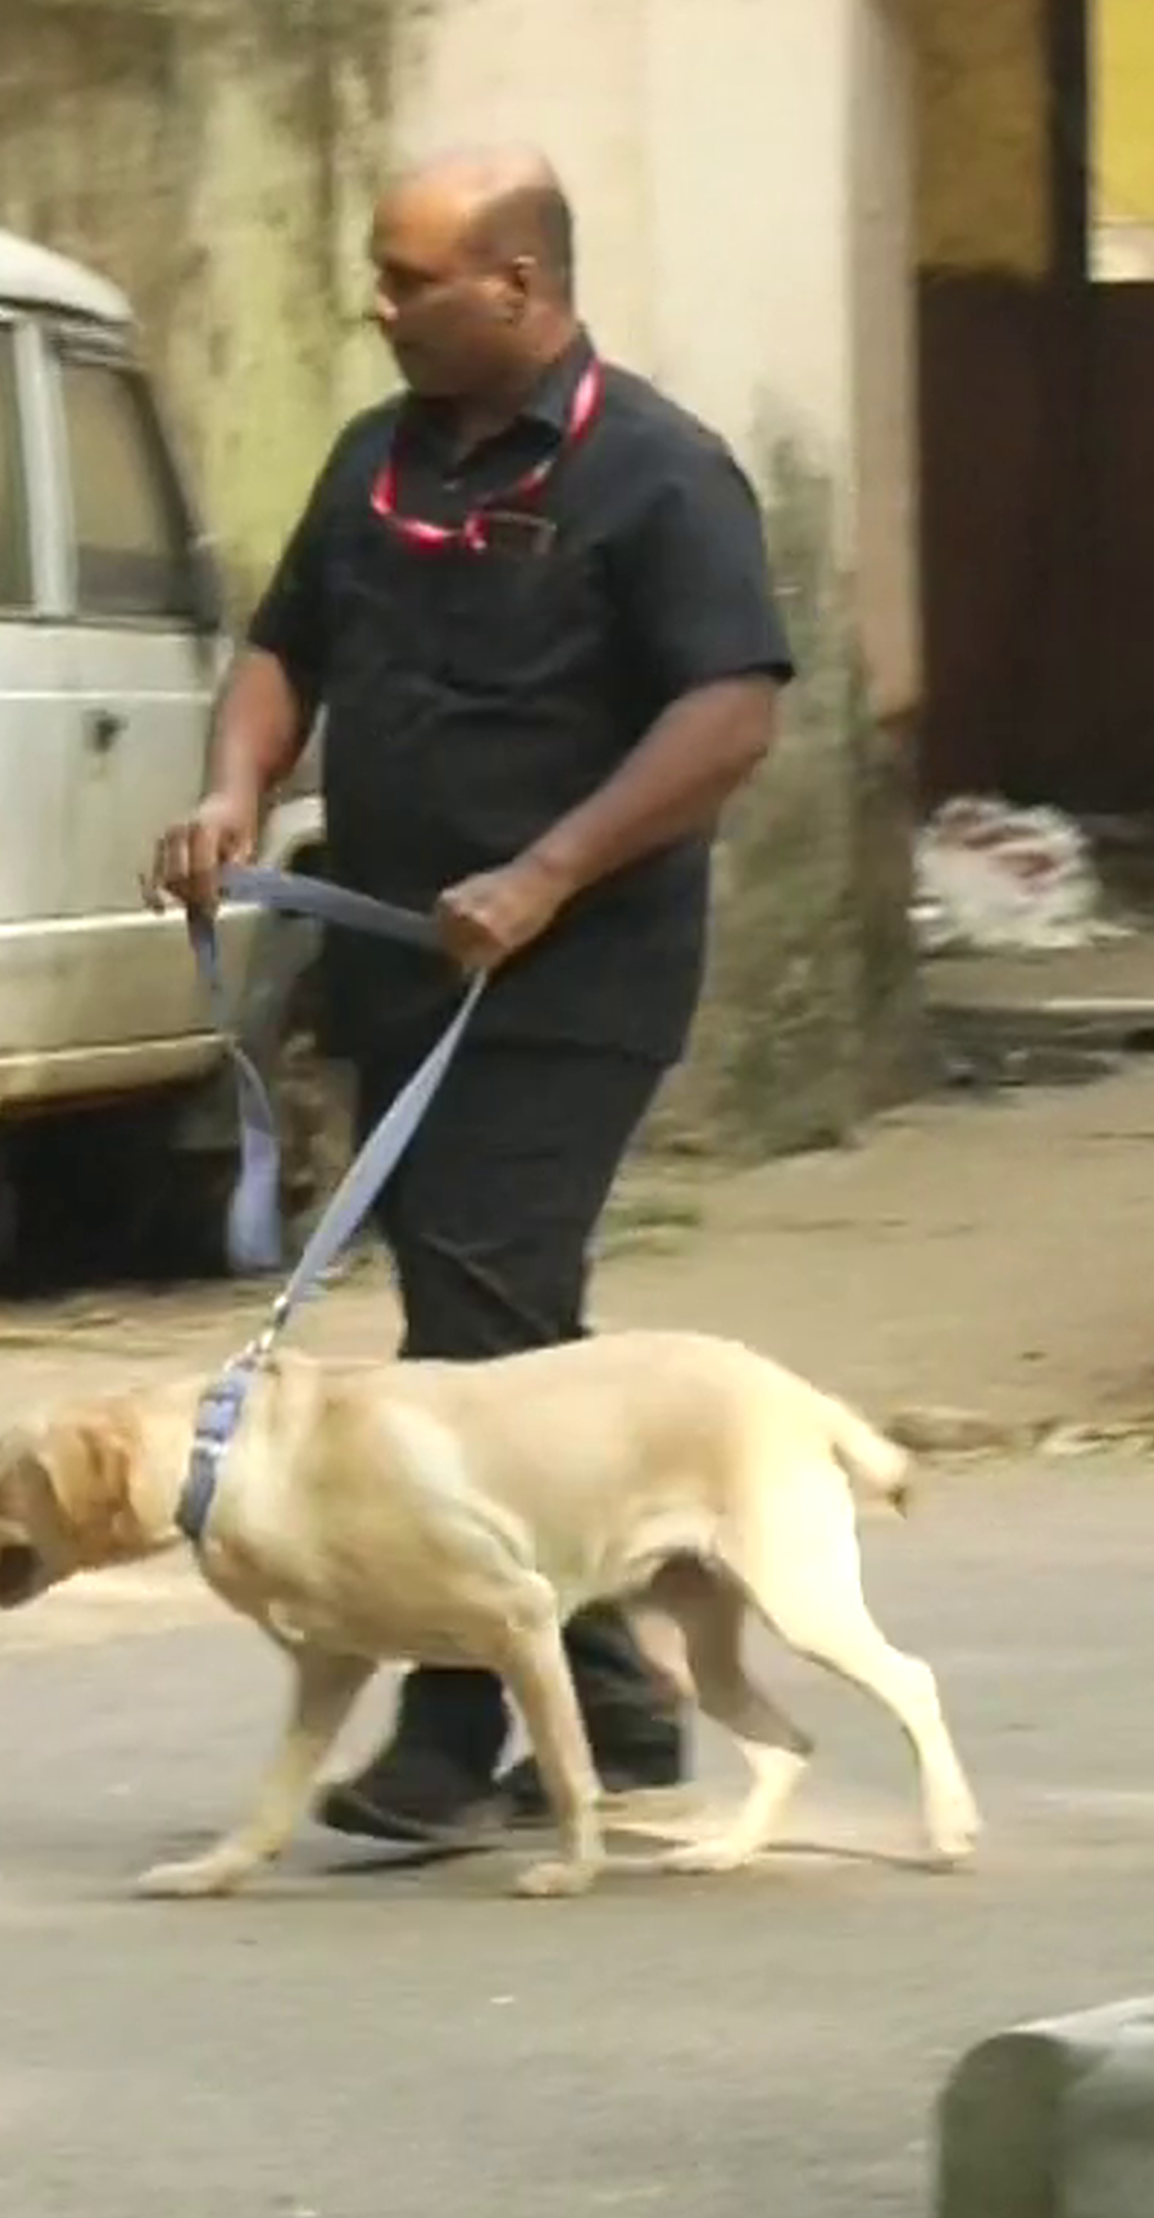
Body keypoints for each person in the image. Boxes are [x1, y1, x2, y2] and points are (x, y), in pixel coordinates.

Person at [148, 144, 796, 1848]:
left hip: (574, 979)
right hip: (392, 964)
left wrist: (551, 871)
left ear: (514, 286)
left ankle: (453, 1724)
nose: (375, 307)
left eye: (405, 277)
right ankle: (627, 1699)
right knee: (496, 1323)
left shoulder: (658, 475)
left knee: (478, 1323)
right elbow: (284, 647)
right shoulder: (376, 463)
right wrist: (233, 793)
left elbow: (728, 713)